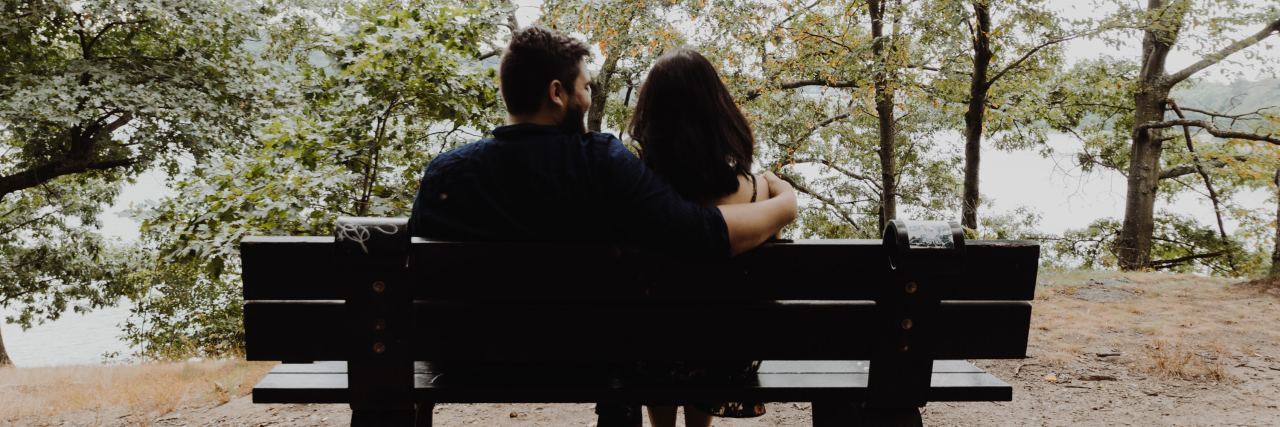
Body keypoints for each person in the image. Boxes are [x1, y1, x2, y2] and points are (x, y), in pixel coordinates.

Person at [407, 26, 796, 425]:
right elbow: (699, 234)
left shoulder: (446, 174)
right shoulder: (601, 163)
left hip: (463, 361)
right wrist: (784, 204)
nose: (589, 98)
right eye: (586, 88)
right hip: (583, 363)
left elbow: (418, 276)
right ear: (557, 93)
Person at [627, 48, 770, 427]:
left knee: (656, 334)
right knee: (708, 333)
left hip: (648, 355)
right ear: (717, 111)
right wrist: (786, 200)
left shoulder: (635, 190)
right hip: (721, 355)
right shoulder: (755, 193)